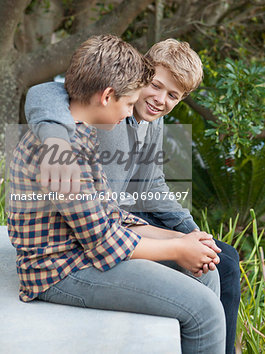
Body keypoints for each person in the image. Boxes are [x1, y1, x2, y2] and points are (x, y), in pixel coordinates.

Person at [8, 34, 226, 354]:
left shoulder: (81, 133)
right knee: (205, 311)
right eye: (128, 104)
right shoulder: (63, 155)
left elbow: (109, 212)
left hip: (81, 248)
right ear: (108, 96)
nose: (129, 115)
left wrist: (182, 239)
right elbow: (102, 243)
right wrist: (177, 248)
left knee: (208, 274)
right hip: (59, 270)